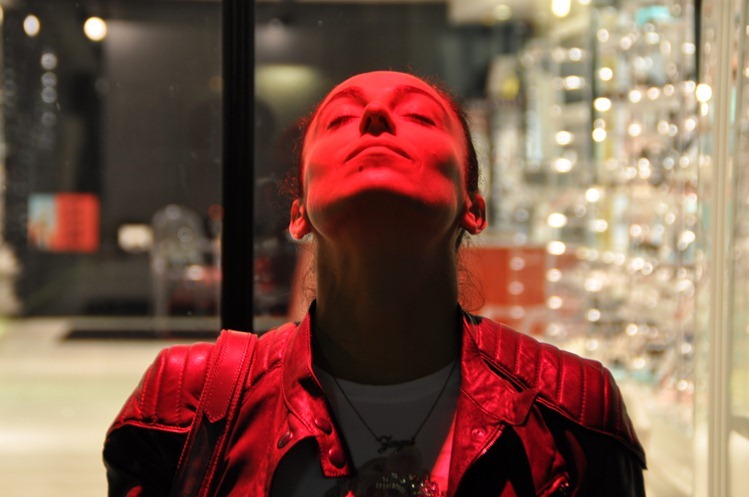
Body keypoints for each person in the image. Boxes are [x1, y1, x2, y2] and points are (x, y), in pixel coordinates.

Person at [104, 71, 646, 496]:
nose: (376, 116)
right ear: (299, 213)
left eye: (419, 116)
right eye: (340, 119)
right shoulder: (187, 404)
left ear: (473, 207)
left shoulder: (573, 409)